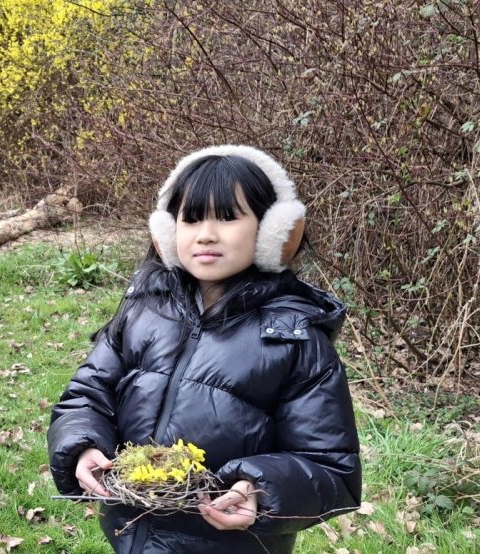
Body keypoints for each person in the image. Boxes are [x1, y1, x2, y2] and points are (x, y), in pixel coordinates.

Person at [46, 145, 361, 553]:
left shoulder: (294, 339)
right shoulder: (143, 311)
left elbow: (331, 469)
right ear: (167, 231)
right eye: (191, 219)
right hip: (130, 535)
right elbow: (87, 395)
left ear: (273, 230)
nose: (206, 234)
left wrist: (261, 490)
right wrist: (84, 444)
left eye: (227, 218)